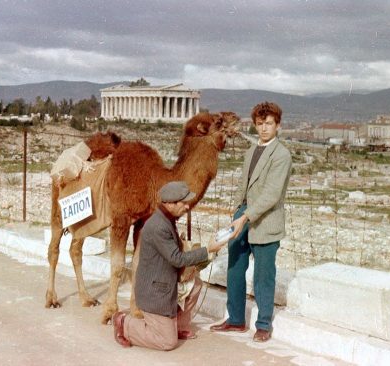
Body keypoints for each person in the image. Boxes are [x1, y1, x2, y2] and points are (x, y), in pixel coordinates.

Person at [112, 181, 230, 350]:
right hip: (154, 291)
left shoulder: (166, 219)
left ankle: (178, 327)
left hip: (165, 281)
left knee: (195, 285)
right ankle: (124, 323)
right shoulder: (158, 226)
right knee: (167, 342)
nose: (187, 207)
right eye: (184, 203)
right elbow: (177, 259)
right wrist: (208, 250)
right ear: (170, 204)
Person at [210, 102, 292, 342]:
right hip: (242, 217)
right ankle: (235, 320)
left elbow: (271, 194)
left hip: (265, 220)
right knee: (235, 268)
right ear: (255, 125)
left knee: (263, 275)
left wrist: (245, 216)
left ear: (278, 125)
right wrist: (237, 212)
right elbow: (243, 186)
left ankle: (264, 324)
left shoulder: (282, 155)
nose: (264, 128)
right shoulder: (250, 152)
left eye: (269, 124)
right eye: (260, 124)